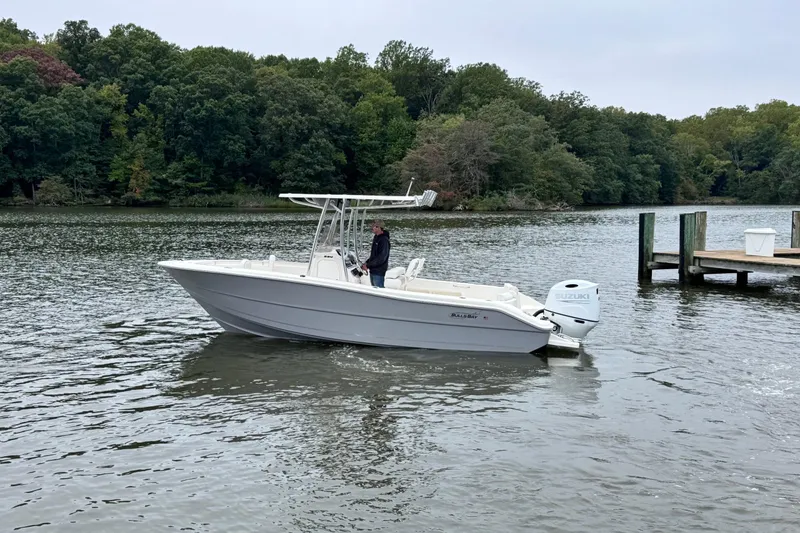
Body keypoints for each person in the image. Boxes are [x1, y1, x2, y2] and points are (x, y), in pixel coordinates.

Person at [361, 219, 391, 288]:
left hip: (378, 271)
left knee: (379, 290)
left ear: (379, 227)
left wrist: (368, 265)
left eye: (374, 226)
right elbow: (374, 255)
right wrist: (366, 263)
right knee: (374, 289)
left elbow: (381, 257)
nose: (372, 228)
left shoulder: (384, 240)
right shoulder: (376, 238)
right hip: (373, 270)